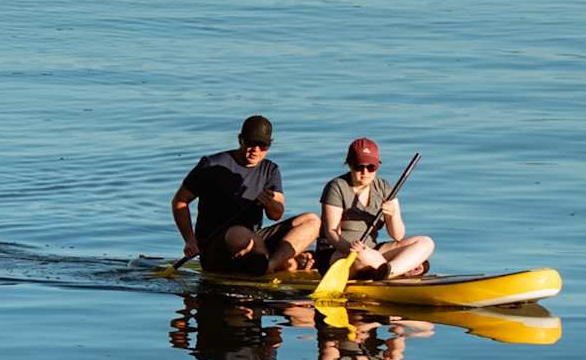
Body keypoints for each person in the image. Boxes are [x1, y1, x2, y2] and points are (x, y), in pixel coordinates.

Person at [172, 115, 331, 275]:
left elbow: (276, 214)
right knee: (239, 233)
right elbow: (180, 201)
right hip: (216, 244)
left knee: (312, 220)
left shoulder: (270, 170)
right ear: (240, 139)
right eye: (251, 144)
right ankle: (286, 263)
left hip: (255, 239)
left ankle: (271, 264)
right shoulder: (211, 165)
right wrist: (190, 241)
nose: (256, 150)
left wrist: (269, 202)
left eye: (262, 146)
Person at [320, 136, 435, 281]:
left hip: (372, 251)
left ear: (377, 166)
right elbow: (332, 234)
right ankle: (394, 268)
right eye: (359, 167)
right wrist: (356, 251)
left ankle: (388, 271)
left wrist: (392, 215)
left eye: (371, 167)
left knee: (426, 242)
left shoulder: (384, 188)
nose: (365, 172)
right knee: (364, 260)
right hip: (340, 253)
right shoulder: (336, 187)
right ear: (349, 165)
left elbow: (398, 236)